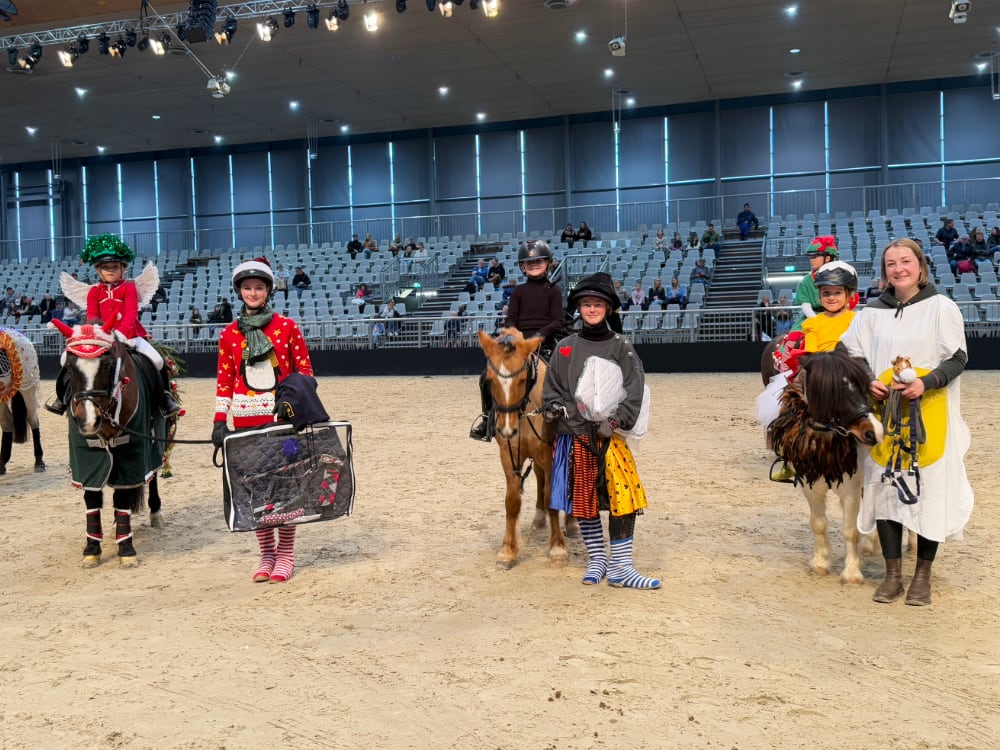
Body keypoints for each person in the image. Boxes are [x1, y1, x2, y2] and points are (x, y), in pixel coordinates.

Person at [838, 238, 973, 607]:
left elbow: (958, 357)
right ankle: (893, 575)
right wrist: (868, 380)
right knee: (884, 492)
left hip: (927, 412)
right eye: (891, 264)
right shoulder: (870, 313)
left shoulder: (941, 308)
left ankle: (922, 575)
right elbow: (850, 352)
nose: (898, 269)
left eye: (905, 261)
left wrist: (925, 383)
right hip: (885, 415)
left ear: (920, 266)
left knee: (929, 493)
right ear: (884, 272)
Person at [542, 272, 659, 590]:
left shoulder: (621, 346)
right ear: (579, 308)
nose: (591, 309)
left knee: (625, 497)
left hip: (609, 435)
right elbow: (551, 387)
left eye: (597, 304)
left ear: (608, 308)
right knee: (584, 499)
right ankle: (598, 558)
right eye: (586, 304)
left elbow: (635, 387)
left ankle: (622, 568)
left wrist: (616, 421)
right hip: (573, 435)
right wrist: (552, 405)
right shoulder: (565, 347)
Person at [212, 257, 315, 584]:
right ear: (239, 292)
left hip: (282, 420)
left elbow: (305, 372)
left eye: (258, 287)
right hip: (245, 424)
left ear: (268, 291)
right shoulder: (229, 334)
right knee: (256, 490)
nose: (252, 293)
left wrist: (291, 402)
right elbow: (224, 380)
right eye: (247, 288)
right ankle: (266, 553)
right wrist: (219, 420)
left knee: (286, 487)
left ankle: (285, 554)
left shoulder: (287, 328)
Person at [47, 234, 180, 417]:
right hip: (102, 337)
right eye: (106, 267)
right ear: (98, 270)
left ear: (123, 269)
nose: (110, 270)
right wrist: (97, 333)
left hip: (130, 335)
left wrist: (122, 333)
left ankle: (163, 399)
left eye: (115, 267)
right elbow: (92, 316)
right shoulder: (94, 291)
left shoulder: (129, 288)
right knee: (66, 360)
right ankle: (63, 397)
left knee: (157, 360)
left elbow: (131, 313)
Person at [763, 261, 860, 481]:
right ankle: (789, 457)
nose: (832, 298)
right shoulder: (814, 323)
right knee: (789, 404)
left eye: (837, 293)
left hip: (849, 370)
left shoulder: (857, 321)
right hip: (821, 371)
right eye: (826, 293)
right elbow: (813, 350)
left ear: (848, 294)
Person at [469, 241, 563, 441]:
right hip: (518, 345)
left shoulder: (553, 290)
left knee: (563, 375)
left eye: (538, 261)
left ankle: (564, 418)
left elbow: (558, 321)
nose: (534, 264)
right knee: (486, 376)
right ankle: (488, 418)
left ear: (547, 263)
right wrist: (515, 336)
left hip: (544, 344)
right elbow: (511, 319)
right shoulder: (518, 291)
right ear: (522, 266)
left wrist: (538, 335)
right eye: (529, 262)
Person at [792, 236, 840, 329]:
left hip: (838, 317)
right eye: (810, 257)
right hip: (813, 317)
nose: (811, 260)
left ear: (827, 258)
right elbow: (805, 306)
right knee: (791, 341)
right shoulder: (806, 280)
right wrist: (817, 321)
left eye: (815, 257)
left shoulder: (841, 277)